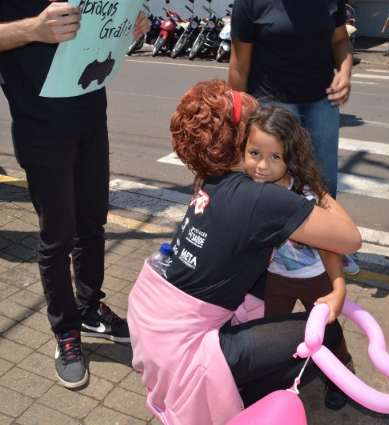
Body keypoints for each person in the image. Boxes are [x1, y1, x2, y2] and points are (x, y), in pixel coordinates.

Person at [128, 80, 363, 425]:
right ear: (239, 136)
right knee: (325, 332)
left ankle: (251, 391)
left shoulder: (212, 177)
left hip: (154, 320)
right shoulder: (260, 199)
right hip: (186, 348)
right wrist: (311, 180)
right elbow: (350, 239)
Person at [0, 0, 148, 388]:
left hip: (92, 111)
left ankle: (90, 308)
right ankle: (66, 331)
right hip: (39, 124)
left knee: (93, 221)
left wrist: (125, 28)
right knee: (57, 235)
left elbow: (97, 22)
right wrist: (33, 29)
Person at [228, 0, 359, 275]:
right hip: (272, 104)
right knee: (274, 180)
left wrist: (345, 72)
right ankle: (274, 250)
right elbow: (239, 65)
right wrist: (236, 121)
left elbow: (340, 42)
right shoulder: (250, 3)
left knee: (323, 181)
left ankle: (326, 248)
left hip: (322, 102)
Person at [240, 106, 353, 410]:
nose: (262, 165)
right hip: (276, 280)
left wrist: (337, 288)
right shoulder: (246, 191)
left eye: (275, 156)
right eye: (254, 153)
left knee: (330, 331)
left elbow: (330, 246)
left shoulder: (304, 197)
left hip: (313, 279)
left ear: (291, 156)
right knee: (272, 333)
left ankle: (342, 374)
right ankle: (275, 381)